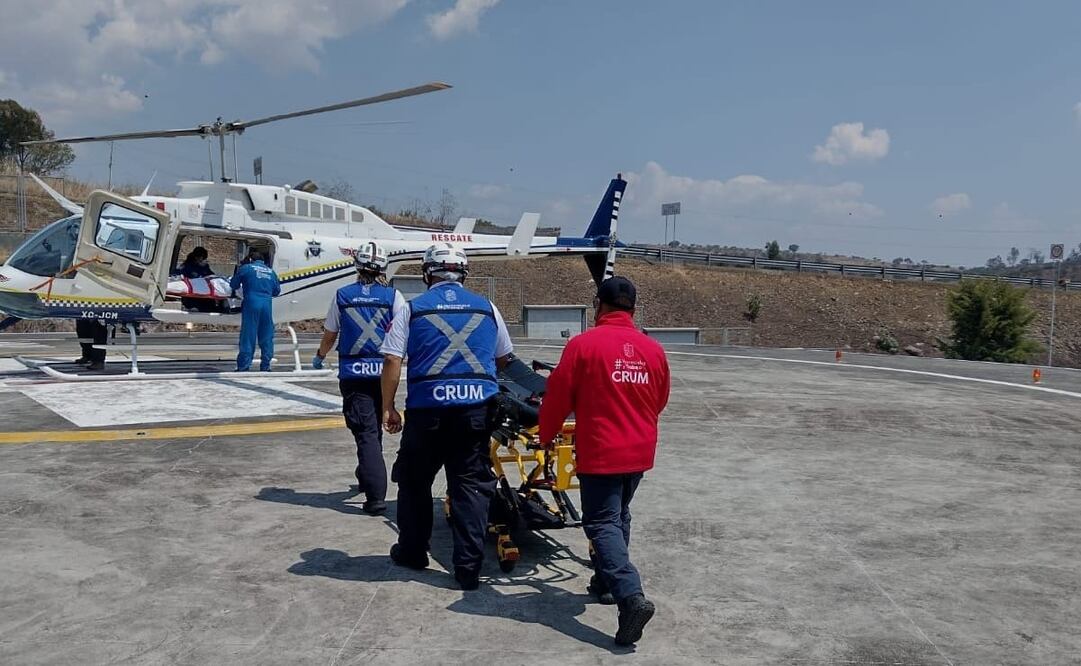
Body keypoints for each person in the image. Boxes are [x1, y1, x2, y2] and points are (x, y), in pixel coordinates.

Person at [538, 276, 670, 646]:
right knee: (620, 515)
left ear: (599, 305)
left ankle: (630, 597)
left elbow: (557, 398)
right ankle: (606, 581)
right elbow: (660, 399)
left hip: (602, 450)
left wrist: (545, 436)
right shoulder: (653, 350)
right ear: (632, 308)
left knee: (601, 522)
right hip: (639, 450)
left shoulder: (583, 345)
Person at [380, 242, 514, 591]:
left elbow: (392, 359)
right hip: (474, 413)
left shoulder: (412, 309)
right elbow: (503, 357)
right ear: (463, 274)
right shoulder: (488, 308)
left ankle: (412, 552)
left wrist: (388, 406)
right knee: (469, 486)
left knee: (414, 482)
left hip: (427, 413)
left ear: (427, 274)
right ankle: (468, 569)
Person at [312, 243, 404, 515]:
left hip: (354, 375)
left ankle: (376, 497)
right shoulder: (394, 297)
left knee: (365, 433)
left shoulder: (342, 295)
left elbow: (330, 334)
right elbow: (402, 335)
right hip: (385, 375)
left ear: (358, 266)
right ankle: (366, 475)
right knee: (372, 430)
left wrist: (319, 355)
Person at [230, 249, 280, 372]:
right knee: (266, 335)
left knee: (248, 335)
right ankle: (266, 365)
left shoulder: (246, 268)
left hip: (251, 303)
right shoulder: (271, 272)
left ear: (251, 259)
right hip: (267, 305)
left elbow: (233, 284)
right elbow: (277, 291)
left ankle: (244, 366)